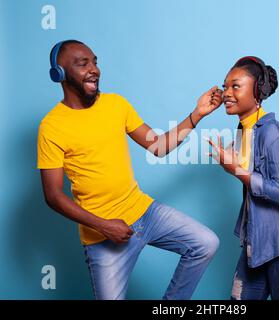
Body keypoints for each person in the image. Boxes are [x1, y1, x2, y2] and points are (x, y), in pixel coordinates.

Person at [37, 40, 223, 300]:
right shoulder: (52, 127)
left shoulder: (116, 104)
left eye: (95, 62)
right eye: (83, 64)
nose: (94, 69)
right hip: (103, 237)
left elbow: (158, 146)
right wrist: (104, 226)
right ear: (59, 73)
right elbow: (53, 196)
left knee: (206, 243)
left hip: (145, 213)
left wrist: (197, 114)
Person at [207, 56, 279, 300]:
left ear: (257, 90)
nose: (227, 93)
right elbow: (253, 181)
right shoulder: (244, 131)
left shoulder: (272, 134)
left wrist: (236, 169)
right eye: (225, 86)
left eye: (236, 86)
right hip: (257, 243)